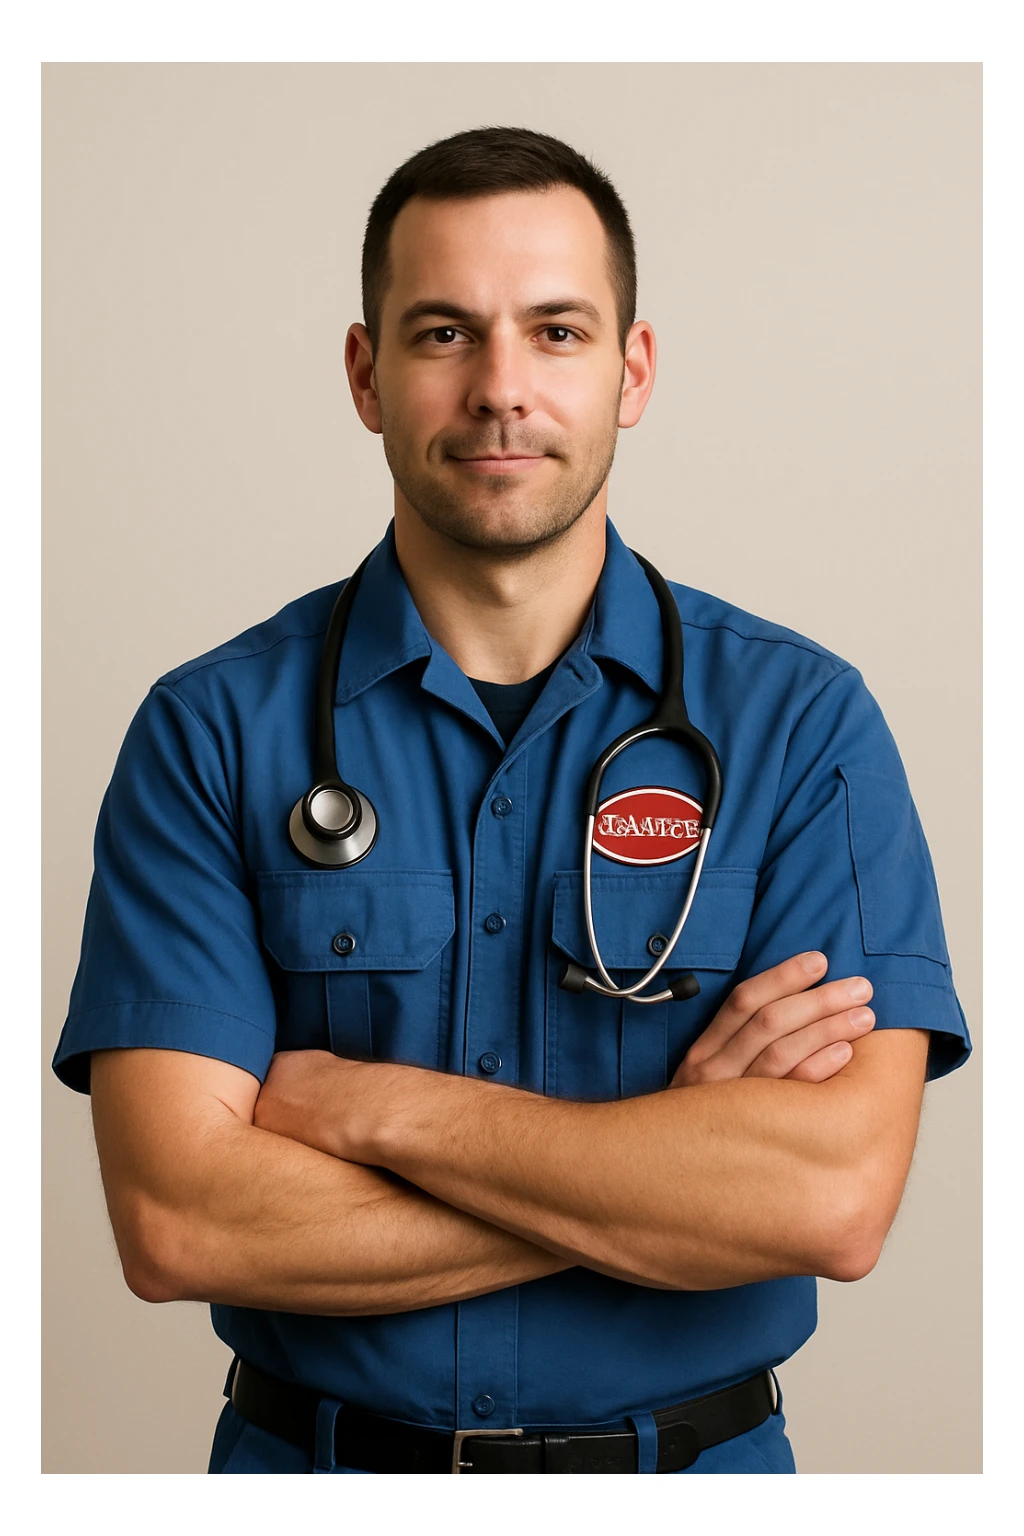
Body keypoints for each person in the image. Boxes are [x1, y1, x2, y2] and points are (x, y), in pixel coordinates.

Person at [52, 126, 971, 1476]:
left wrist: (376, 1114)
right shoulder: (208, 734)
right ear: (366, 376)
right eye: (442, 334)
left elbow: (830, 1201)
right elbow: (184, 1223)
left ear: (631, 369)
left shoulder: (803, 727)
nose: (501, 389)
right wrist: (668, 1180)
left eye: (554, 331)